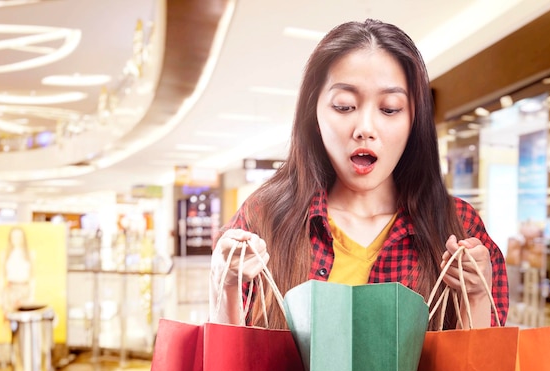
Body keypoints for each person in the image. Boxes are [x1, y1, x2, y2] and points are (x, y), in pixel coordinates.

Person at [209, 19, 508, 330]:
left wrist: (474, 295)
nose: (365, 128)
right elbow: (226, 363)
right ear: (315, 115)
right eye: (344, 106)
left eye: (390, 109)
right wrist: (223, 282)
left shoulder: (458, 225)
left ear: (413, 122)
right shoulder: (265, 217)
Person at [0, 226, 36, 318]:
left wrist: (32, 296)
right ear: (10, 238)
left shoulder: (30, 254)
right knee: (10, 320)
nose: (17, 239)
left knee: (24, 320)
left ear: (23, 238)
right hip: (10, 291)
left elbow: (33, 278)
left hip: (24, 291)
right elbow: (1, 276)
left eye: (19, 237)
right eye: (14, 237)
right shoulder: (5, 254)